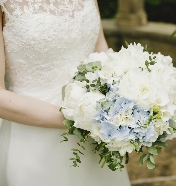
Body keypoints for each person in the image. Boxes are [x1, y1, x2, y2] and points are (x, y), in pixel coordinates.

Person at [0, 0, 131, 185]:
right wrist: (84, 119)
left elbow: (102, 54)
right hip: (35, 144)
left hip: (98, 139)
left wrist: (132, 100)